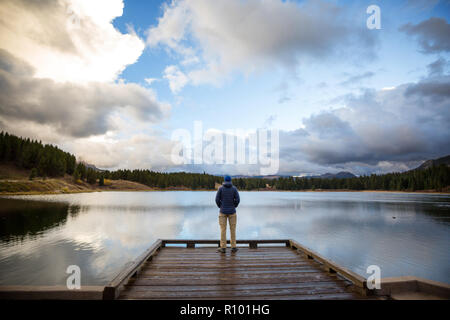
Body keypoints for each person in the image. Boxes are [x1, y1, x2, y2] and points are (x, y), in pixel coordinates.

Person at [215, 175, 240, 253]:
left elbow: (216, 200)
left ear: (224, 180)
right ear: (230, 181)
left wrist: (221, 206)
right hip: (232, 212)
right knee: (233, 230)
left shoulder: (220, 188)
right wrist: (234, 206)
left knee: (223, 230)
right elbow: (238, 200)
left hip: (222, 212)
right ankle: (233, 247)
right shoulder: (234, 188)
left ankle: (223, 248)